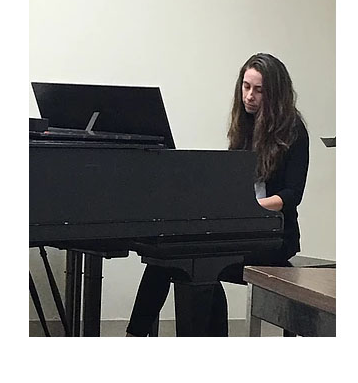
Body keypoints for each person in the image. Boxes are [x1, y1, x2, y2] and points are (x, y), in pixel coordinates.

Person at [125, 53, 310, 336]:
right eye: (246, 87)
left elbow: (292, 194)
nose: (249, 96)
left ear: (275, 93)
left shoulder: (294, 130)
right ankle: (136, 334)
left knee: (192, 262)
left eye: (259, 90)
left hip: (274, 237)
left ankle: (136, 336)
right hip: (241, 231)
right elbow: (231, 184)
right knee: (167, 254)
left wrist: (252, 208)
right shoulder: (244, 126)